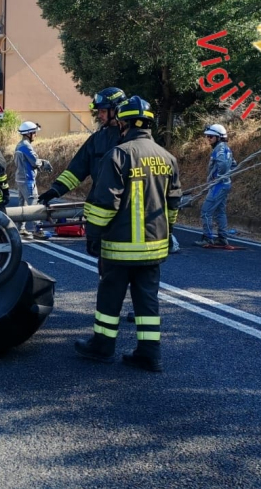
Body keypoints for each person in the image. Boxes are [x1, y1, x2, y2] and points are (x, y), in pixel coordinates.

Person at [73, 96, 182, 372]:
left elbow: (104, 204)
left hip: (119, 247)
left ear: (124, 124)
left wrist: (93, 236)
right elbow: (173, 205)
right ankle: (149, 353)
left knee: (110, 297)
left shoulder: (119, 155)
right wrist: (167, 233)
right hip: (154, 247)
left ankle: (102, 347)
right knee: (147, 300)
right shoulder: (167, 158)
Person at [38, 86, 126, 208]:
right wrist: (56, 190)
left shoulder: (130, 138)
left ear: (117, 110)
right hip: (98, 204)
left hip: (123, 206)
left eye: (103, 111)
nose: (99, 115)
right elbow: (76, 169)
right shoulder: (97, 138)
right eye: (99, 111)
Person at [194, 123, 236, 247]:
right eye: (207, 136)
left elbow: (223, 165)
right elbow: (234, 164)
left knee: (205, 212)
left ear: (219, 137)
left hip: (219, 186)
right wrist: (226, 175)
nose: (208, 139)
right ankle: (222, 238)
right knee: (220, 212)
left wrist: (218, 176)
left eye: (211, 136)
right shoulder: (226, 148)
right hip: (224, 184)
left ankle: (208, 238)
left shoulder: (220, 148)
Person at [14, 121, 53, 239]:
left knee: (22, 206)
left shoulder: (20, 145)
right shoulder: (26, 146)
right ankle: (38, 230)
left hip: (20, 179)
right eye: (34, 132)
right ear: (28, 133)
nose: (36, 134)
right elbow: (35, 161)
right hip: (27, 179)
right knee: (34, 205)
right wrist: (44, 163)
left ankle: (20, 229)